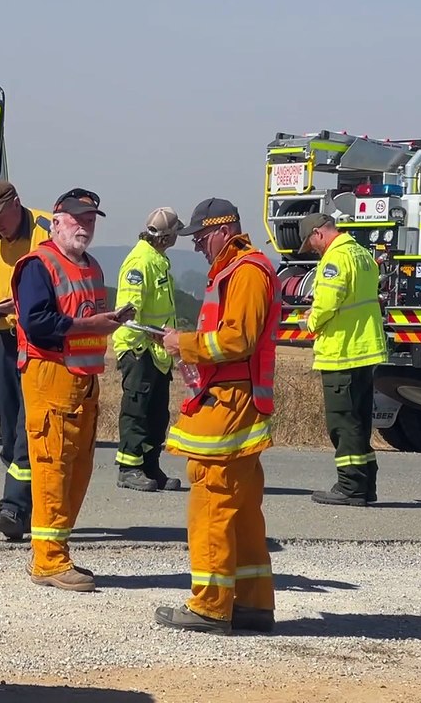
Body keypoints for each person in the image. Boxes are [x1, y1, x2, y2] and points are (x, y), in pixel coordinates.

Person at [154, 198, 280, 635]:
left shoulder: (245, 271)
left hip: (231, 402)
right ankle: (252, 603)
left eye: (201, 237)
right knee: (241, 507)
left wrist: (184, 345)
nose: (197, 246)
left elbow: (238, 339)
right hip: (235, 400)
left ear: (224, 231)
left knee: (211, 496)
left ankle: (210, 606)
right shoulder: (240, 269)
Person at [11, 188, 128, 592]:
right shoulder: (38, 265)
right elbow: (36, 322)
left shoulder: (91, 266)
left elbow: (84, 315)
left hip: (83, 378)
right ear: (56, 222)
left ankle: (52, 552)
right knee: (53, 467)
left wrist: (107, 322)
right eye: (78, 219)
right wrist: (90, 326)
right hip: (50, 375)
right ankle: (49, 560)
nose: (85, 226)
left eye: (91, 219)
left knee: (77, 471)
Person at [0, 178, 56, 540]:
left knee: (27, 426)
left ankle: (13, 508)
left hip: (36, 342)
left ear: (16, 204)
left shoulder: (47, 231)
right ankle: (29, 502)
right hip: (2, 341)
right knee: (8, 422)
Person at [296, 212, 388, 506]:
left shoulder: (334, 259)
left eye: (311, 244)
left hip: (342, 352)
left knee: (342, 422)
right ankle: (365, 485)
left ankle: (350, 486)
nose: (313, 250)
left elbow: (327, 304)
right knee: (359, 421)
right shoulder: (362, 255)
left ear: (318, 233)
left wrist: (309, 322)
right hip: (364, 350)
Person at [112, 206, 185, 492]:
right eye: (176, 232)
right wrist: (144, 344)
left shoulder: (158, 259)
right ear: (167, 236)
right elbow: (130, 313)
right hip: (139, 348)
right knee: (137, 410)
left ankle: (150, 465)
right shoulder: (141, 261)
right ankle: (129, 468)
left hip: (157, 351)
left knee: (157, 413)